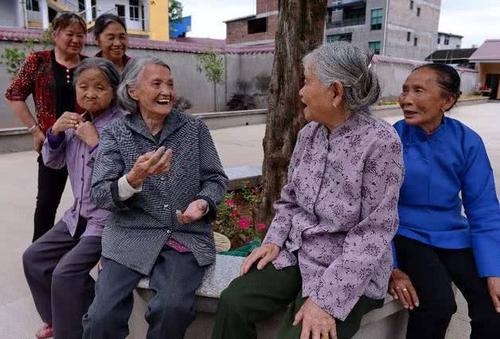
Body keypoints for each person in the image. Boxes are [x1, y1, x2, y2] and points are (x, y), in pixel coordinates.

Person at [211, 42, 404, 339]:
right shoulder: (309, 134)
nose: (300, 91)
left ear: (336, 92)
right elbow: (290, 199)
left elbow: (373, 234)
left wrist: (326, 301)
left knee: (303, 335)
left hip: (348, 271)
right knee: (234, 302)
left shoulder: (381, 143)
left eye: (307, 81)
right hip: (299, 252)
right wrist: (274, 240)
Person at [82, 57, 228, 339]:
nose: (167, 91)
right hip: (129, 234)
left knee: (172, 307)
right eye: (157, 83)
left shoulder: (193, 129)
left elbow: (215, 179)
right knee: (101, 316)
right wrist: (133, 179)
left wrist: (203, 202)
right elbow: (101, 192)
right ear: (133, 91)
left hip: (183, 234)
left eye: (170, 84)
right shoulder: (115, 133)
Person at [389, 63, 500, 339]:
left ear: (447, 101)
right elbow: (373, 210)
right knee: (437, 305)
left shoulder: (467, 142)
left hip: (452, 234)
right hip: (406, 233)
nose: (406, 99)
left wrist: (494, 270)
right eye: (405, 90)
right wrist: (390, 265)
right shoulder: (390, 140)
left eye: (418, 91)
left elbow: (483, 209)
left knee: (494, 306)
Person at [22, 57, 122, 339]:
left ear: (114, 90)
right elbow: (52, 163)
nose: (90, 93)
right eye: (83, 86)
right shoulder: (75, 122)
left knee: (65, 274)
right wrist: (54, 133)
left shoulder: (122, 127)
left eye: (99, 87)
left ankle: (72, 332)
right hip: (76, 215)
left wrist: (96, 143)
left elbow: (124, 178)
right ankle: (57, 318)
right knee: (34, 258)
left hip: (107, 221)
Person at [5, 12, 87, 241]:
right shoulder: (38, 61)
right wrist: (35, 130)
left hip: (85, 144)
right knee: (46, 202)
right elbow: (14, 95)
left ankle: (88, 251)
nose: (76, 40)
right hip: (54, 143)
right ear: (56, 34)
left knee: (90, 201)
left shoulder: (90, 65)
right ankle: (39, 254)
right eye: (70, 34)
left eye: (81, 35)